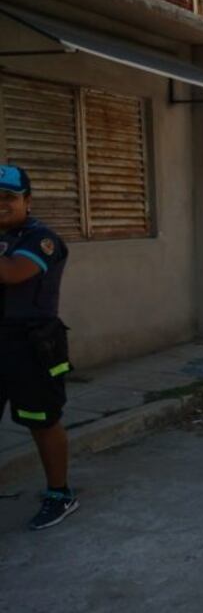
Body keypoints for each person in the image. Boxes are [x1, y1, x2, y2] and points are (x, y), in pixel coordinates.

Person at [0, 165, 78, 530]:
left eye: (8, 197)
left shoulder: (41, 238)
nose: (1, 204)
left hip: (31, 344)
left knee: (41, 421)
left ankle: (60, 494)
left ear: (27, 201)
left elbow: (13, 273)